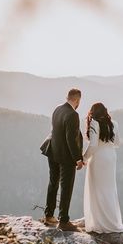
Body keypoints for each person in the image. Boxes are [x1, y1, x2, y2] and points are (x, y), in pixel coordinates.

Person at [83, 102, 123, 233]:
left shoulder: (94, 123)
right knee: (109, 188)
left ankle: (99, 221)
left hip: (98, 158)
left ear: (93, 112)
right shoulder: (114, 123)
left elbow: (93, 146)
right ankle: (112, 220)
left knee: (97, 189)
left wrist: (84, 159)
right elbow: (117, 143)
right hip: (111, 157)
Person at [42, 88, 84, 232]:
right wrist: (78, 158)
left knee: (53, 182)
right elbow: (71, 139)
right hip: (65, 156)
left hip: (52, 151)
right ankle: (64, 221)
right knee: (66, 187)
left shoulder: (57, 109)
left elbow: (55, 131)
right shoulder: (73, 115)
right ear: (78, 100)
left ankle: (48, 215)